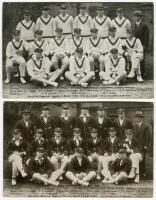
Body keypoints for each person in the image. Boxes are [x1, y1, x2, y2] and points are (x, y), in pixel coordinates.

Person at [132, 10, 149, 77]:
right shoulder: (133, 25)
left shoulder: (144, 25)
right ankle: (134, 73)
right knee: (134, 58)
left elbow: (146, 37)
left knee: (142, 59)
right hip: (134, 45)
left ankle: (142, 73)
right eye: (135, 16)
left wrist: (144, 46)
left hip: (141, 45)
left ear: (140, 17)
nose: (136, 18)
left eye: (137, 16)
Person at [134, 111, 151, 177]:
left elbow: (148, 136)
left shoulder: (146, 126)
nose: (138, 119)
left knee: (142, 158)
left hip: (143, 145)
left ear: (142, 118)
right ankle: (137, 171)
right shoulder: (135, 126)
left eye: (139, 117)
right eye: (137, 118)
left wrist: (146, 145)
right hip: (136, 145)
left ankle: (143, 172)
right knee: (136, 157)